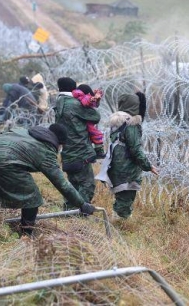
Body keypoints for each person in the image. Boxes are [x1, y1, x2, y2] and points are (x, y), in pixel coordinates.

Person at [0, 124, 96, 236]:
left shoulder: (25, 131)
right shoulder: (46, 151)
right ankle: (26, 234)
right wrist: (81, 204)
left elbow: (4, 134)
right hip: (5, 161)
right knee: (32, 198)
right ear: (59, 143)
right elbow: (62, 184)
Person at [105, 92, 159, 219]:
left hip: (116, 164)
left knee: (121, 195)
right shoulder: (131, 124)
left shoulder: (116, 123)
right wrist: (148, 166)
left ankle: (117, 219)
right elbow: (135, 149)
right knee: (126, 198)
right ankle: (120, 224)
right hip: (127, 167)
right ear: (134, 106)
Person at [54, 77, 101, 209]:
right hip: (81, 152)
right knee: (87, 185)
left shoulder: (58, 102)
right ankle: (80, 213)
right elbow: (95, 117)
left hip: (67, 152)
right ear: (73, 89)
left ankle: (68, 211)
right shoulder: (74, 104)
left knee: (72, 184)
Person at [72, 84, 105, 158]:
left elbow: (94, 104)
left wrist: (97, 97)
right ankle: (99, 151)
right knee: (96, 134)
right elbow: (86, 102)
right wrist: (92, 99)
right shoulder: (84, 97)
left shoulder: (78, 96)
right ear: (87, 92)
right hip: (87, 121)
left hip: (85, 120)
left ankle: (97, 151)